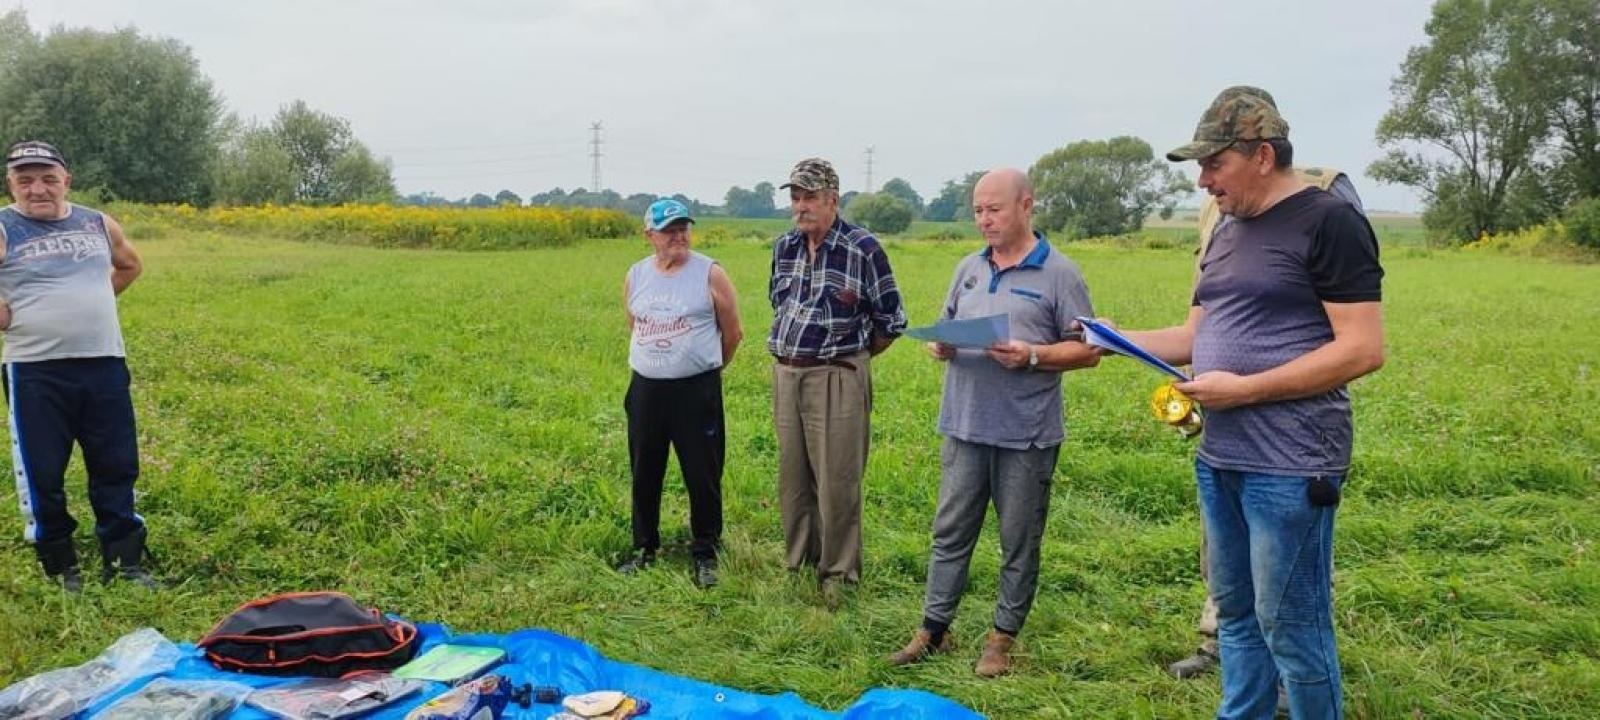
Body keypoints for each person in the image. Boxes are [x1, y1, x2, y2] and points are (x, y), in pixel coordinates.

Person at [1120, 90, 1385, 718]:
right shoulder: (1227, 227)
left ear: (1262, 155)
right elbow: (1193, 336)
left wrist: (1245, 389)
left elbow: (1363, 348)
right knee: (1236, 615)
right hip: (1221, 456)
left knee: (1292, 626)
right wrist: (1113, 338)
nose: (1204, 179)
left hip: (1292, 464)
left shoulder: (1329, 221)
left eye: (1215, 164)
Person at [887, 169, 1098, 677]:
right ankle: (933, 628)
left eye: (994, 209)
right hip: (963, 424)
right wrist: (942, 344)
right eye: (978, 210)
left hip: (1025, 433)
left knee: (1018, 538)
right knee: (949, 532)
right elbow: (949, 323)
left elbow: (1089, 351)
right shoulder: (968, 268)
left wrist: (1032, 356)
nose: (984, 219)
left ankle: (1002, 639)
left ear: (1026, 205)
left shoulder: (1060, 274)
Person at [0, 140, 155, 592]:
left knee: (116, 463)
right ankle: (59, 562)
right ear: (11, 184)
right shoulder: (5, 226)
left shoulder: (97, 223)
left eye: (48, 178)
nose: (37, 188)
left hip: (103, 363)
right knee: (43, 471)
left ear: (66, 179)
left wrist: (91, 302)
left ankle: (124, 559)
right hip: (34, 369)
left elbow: (129, 266)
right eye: (24, 179)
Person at [768, 157, 907, 605]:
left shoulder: (863, 248)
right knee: (793, 479)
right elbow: (779, 303)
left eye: (810, 196)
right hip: (787, 372)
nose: (801, 206)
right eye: (795, 197)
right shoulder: (785, 246)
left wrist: (852, 361)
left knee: (837, 480)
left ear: (833, 199)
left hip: (837, 374)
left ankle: (838, 576)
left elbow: (890, 319)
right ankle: (798, 564)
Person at [616, 198, 742, 589]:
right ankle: (644, 545)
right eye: (669, 230)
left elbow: (733, 332)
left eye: (684, 227)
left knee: (702, 472)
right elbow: (634, 323)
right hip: (647, 389)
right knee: (645, 468)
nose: (679, 236)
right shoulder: (636, 275)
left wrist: (704, 368)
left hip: (695, 390)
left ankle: (705, 550)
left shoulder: (710, 272)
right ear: (649, 235)